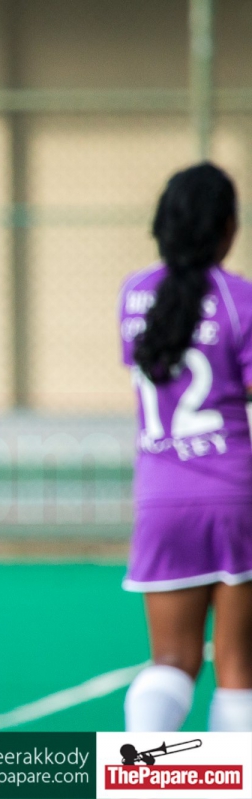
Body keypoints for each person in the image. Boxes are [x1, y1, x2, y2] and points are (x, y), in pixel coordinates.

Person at [119, 162, 252, 732]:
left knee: (170, 661)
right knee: (238, 668)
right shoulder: (240, 299)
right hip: (234, 497)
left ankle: (141, 774)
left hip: (160, 498)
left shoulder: (133, 294)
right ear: (227, 228)